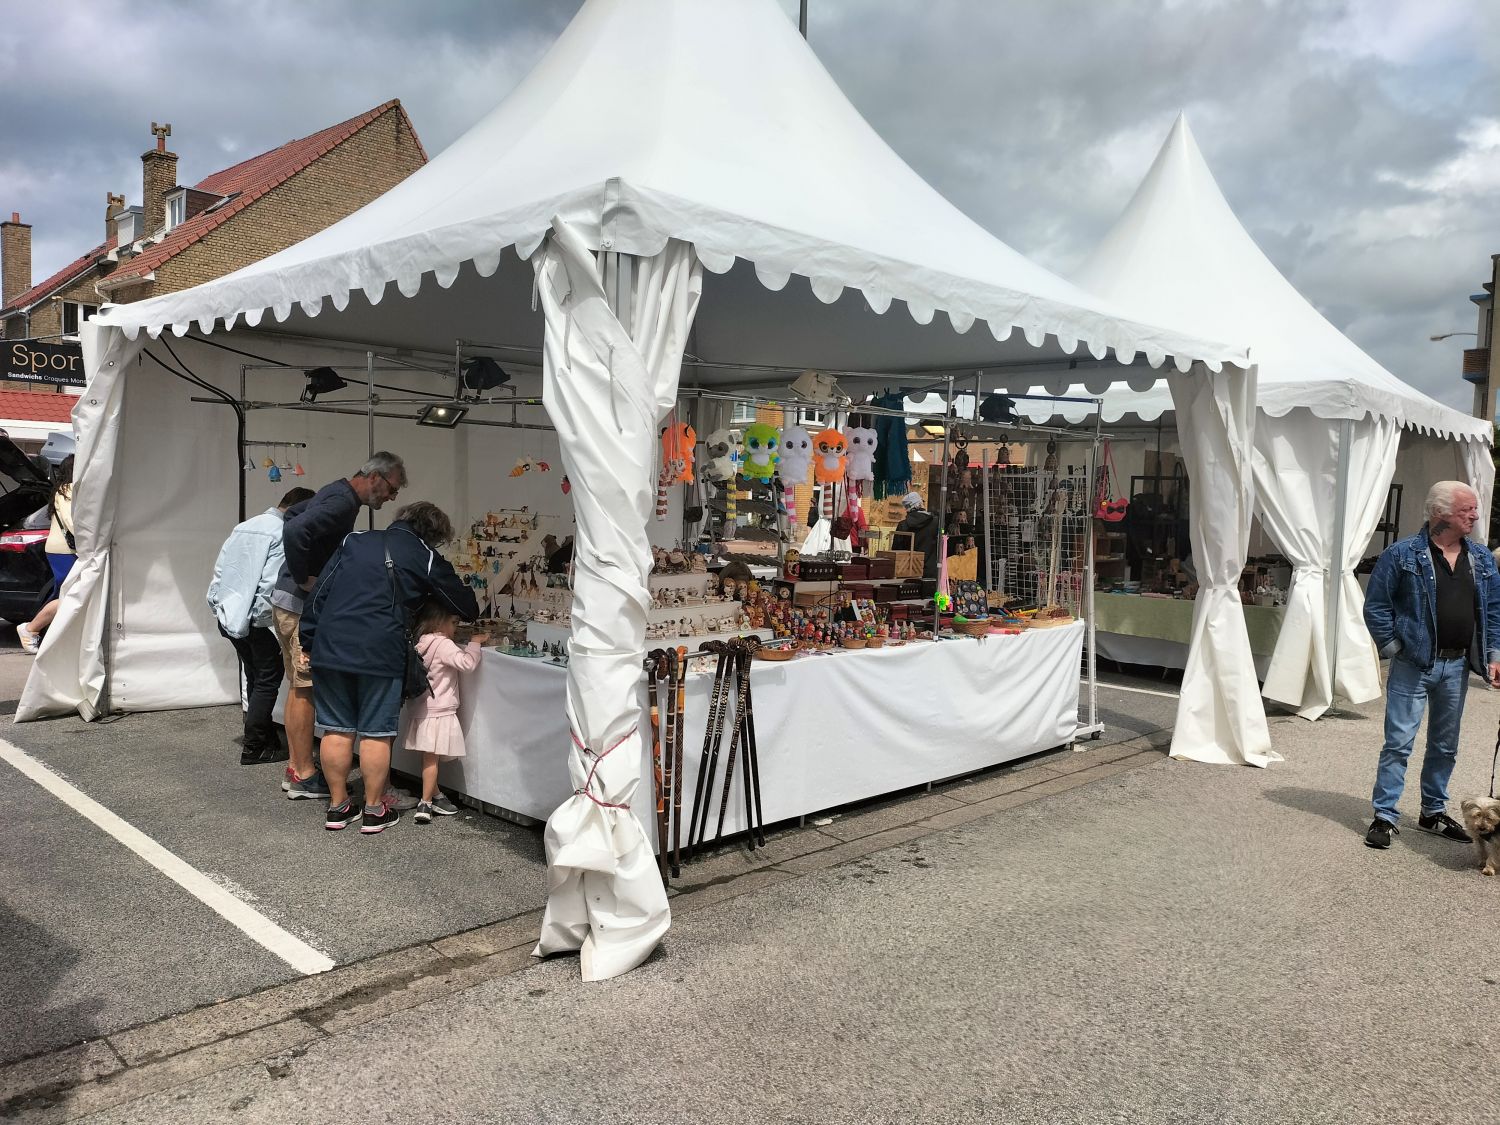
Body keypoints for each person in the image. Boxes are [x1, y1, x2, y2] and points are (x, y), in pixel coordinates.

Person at [300, 500, 478, 834]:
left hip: (331, 645)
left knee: (336, 728)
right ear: (433, 536)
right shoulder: (423, 556)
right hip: (379, 650)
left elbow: (319, 594)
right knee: (376, 731)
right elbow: (464, 604)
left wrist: (309, 640)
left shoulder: (353, 540)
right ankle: (373, 809)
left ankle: (338, 807)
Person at [1363, 480, 1500, 849]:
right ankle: (1385, 815)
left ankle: (1432, 812)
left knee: (1445, 745)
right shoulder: (1402, 554)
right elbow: (1376, 607)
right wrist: (1395, 648)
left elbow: (1493, 611)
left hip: (1456, 668)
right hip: (1414, 666)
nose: (1474, 515)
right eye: (1466, 509)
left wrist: (1494, 654)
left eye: (1474, 509)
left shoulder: (1481, 558)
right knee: (1398, 743)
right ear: (1441, 514)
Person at [270, 453, 407, 800]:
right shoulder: (343, 503)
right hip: (299, 603)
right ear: (375, 477)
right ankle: (303, 773)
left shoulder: (337, 492)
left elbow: (294, 514)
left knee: (298, 686)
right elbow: (296, 526)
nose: (392, 498)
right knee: (306, 686)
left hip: (287, 601)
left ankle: (297, 766)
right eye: (392, 489)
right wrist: (304, 578)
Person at [207, 486, 315, 764]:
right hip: (252, 619)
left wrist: (219, 607)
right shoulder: (281, 533)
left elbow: (221, 570)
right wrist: (267, 619)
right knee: (268, 676)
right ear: (297, 510)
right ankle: (255, 745)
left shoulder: (244, 526)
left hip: (230, 616)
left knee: (256, 674)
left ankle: (262, 736)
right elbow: (271, 583)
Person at [401, 601, 487, 824]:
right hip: (439, 710)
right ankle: (426, 802)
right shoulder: (444, 644)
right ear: (441, 622)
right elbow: (467, 663)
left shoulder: (421, 642)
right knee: (431, 760)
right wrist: (475, 643)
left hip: (422, 708)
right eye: (453, 622)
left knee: (429, 756)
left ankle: (436, 794)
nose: (455, 627)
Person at [17, 455, 77, 654]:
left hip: (62, 550)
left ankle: (41, 632)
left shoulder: (61, 490)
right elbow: (72, 523)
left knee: (64, 594)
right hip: (67, 551)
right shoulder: (68, 490)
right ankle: (30, 629)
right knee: (71, 596)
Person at [895, 491, 940, 580]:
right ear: (920, 504)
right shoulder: (936, 523)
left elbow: (896, 551)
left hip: (907, 572)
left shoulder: (903, 525)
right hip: (931, 572)